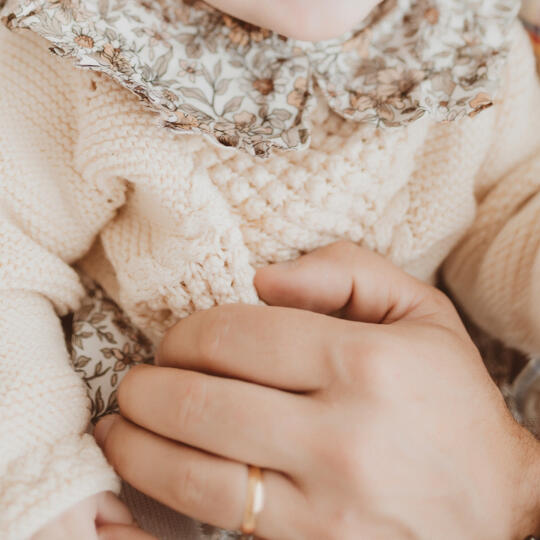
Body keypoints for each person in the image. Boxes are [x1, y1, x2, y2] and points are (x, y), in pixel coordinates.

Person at [0, 0, 539, 538]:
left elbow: (512, 208)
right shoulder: (82, 44)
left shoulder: (463, 37)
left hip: (420, 464)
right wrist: (36, 468)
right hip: (148, 455)